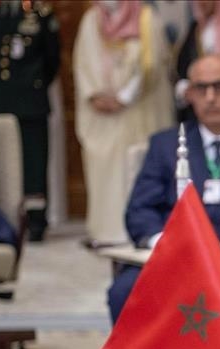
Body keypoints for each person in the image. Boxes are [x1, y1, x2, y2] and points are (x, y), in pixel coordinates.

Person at [107, 54, 220, 323]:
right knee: (124, 290)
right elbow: (140, 210)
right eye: (201, 88)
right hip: (177, 258)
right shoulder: (165, 145)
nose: (210, 97)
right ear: (189, 94)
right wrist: (166, 243)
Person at [74, 0, 174, 247]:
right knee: (106, 173)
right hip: (103, 116)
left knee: (137, 168)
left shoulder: (147, 19)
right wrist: (95, 95)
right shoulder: (92, 20)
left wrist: (125, 97)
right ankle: (107, 231)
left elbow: (152, 65)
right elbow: (83, 62)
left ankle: (138, 229)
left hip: (138, 111)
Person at [0, 0, 60, 241]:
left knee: (34, 164)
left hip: (30, 101)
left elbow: (52, 59)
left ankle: (35, 220)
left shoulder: (40, 14)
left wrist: (33, 85)